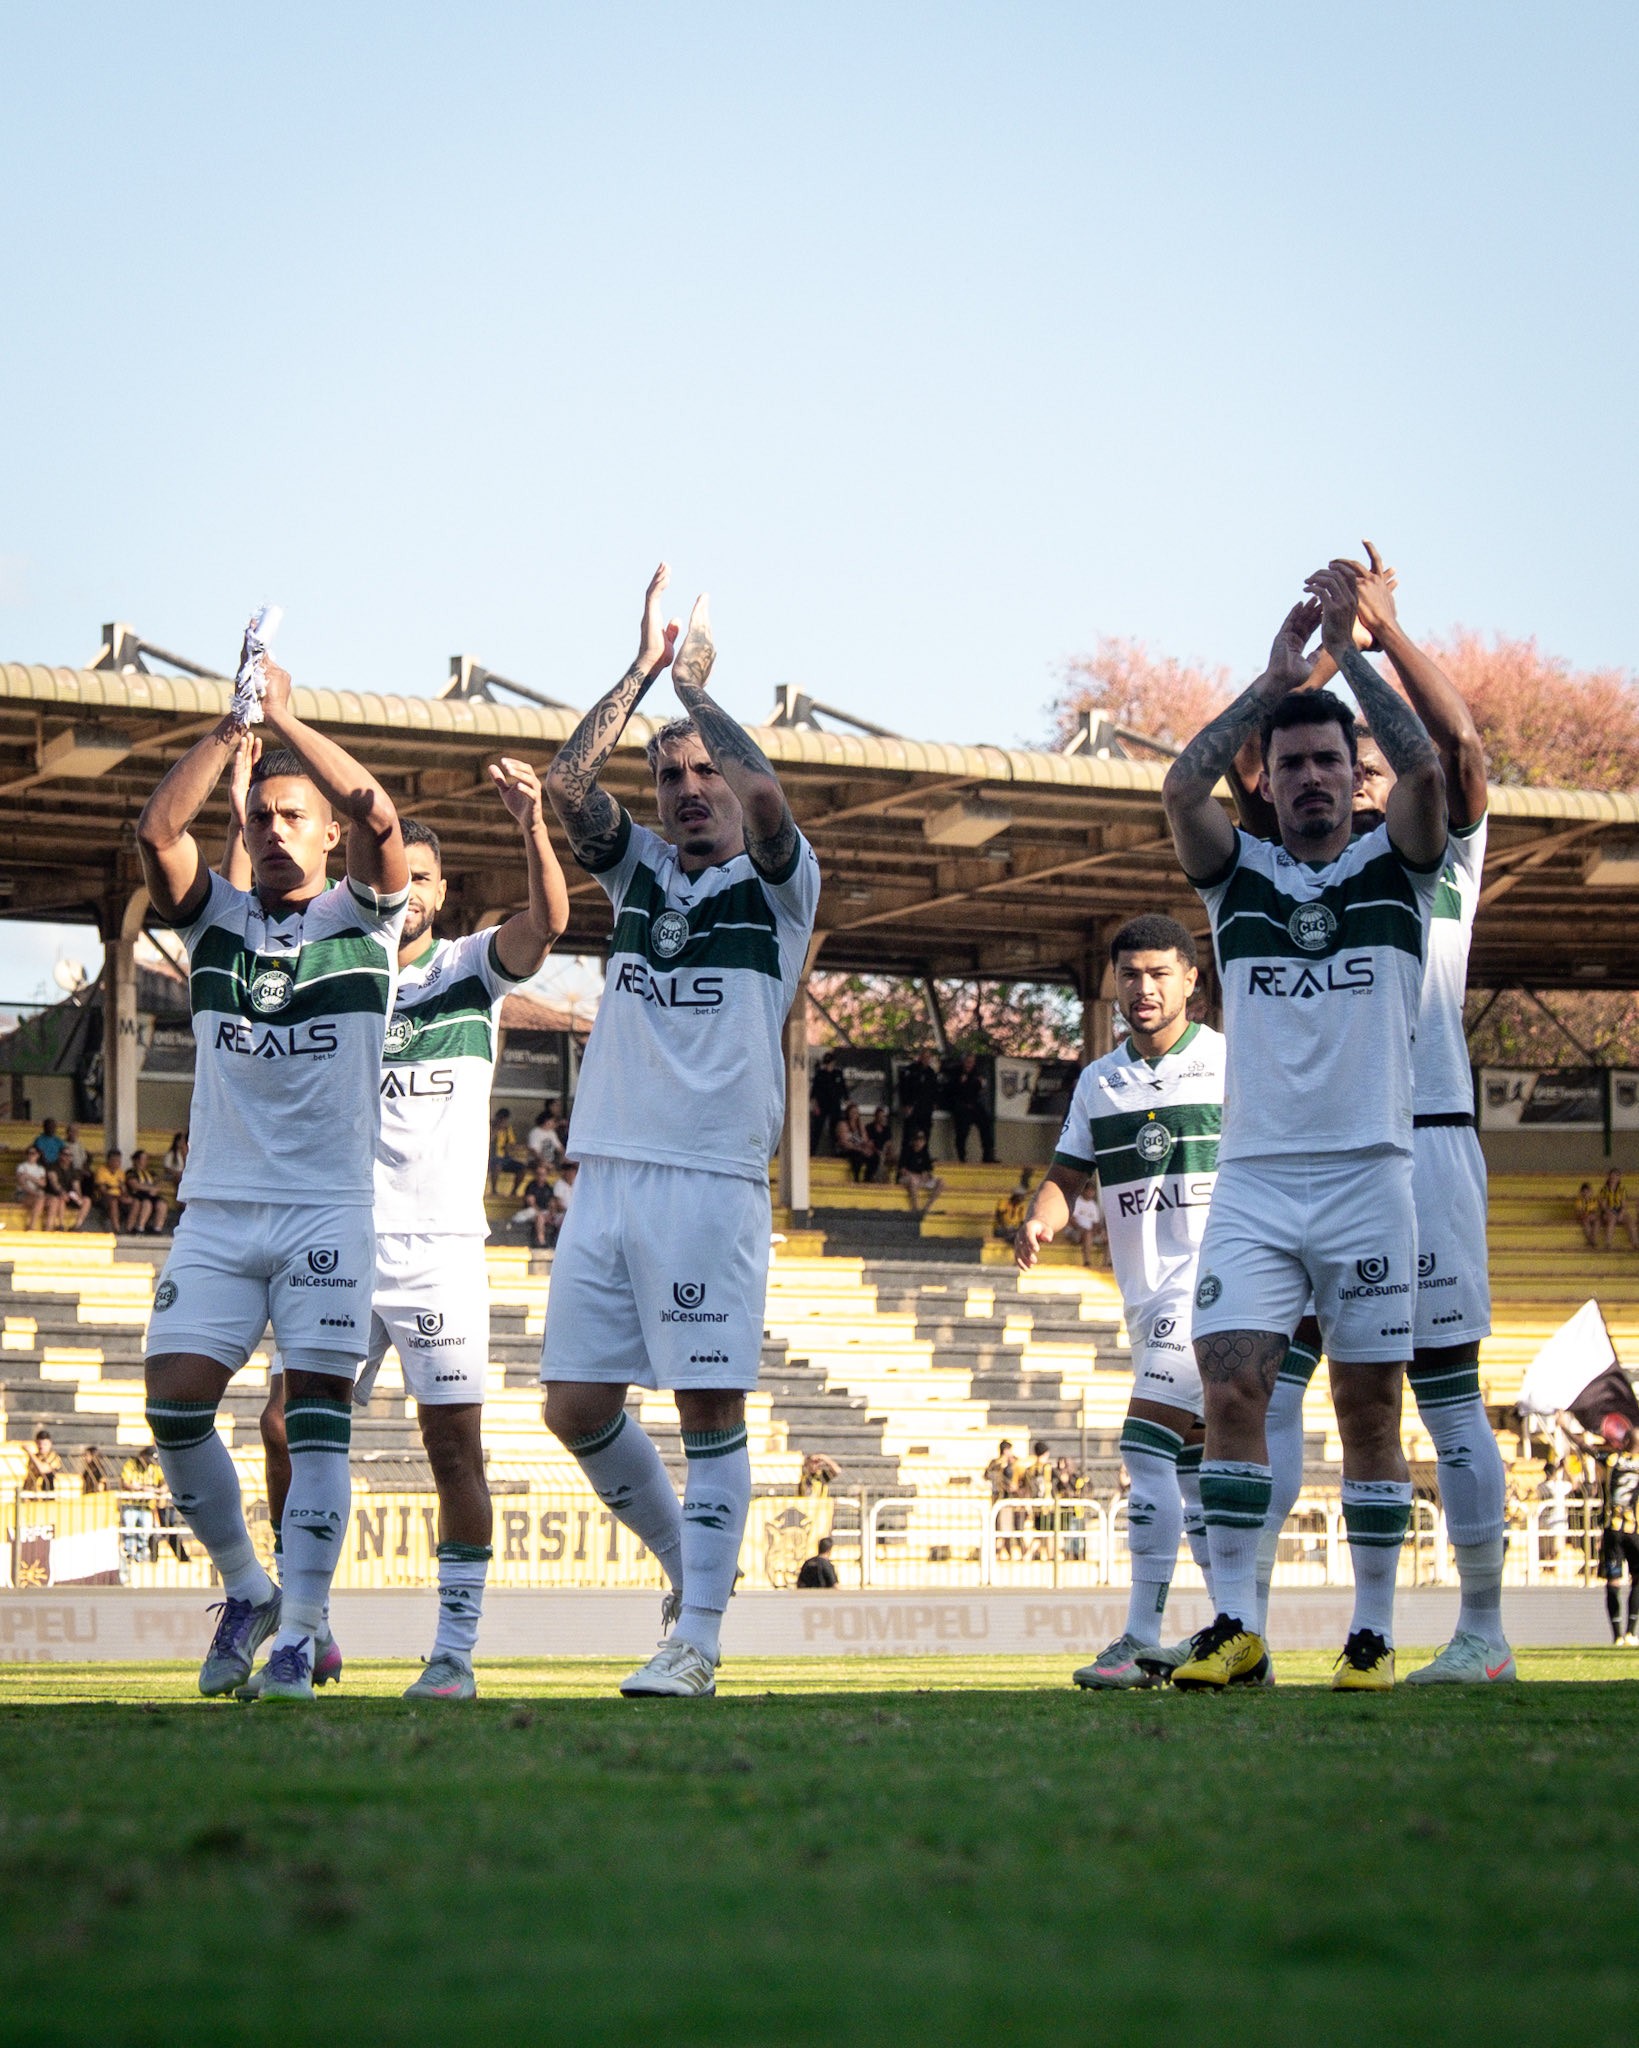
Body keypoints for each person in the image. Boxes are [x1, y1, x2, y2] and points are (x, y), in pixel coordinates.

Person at [1160, 565, 1449, 1693]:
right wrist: (1274, 680)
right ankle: (1237, 1625)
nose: (1312, 776)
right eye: (1290, 764)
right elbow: (1178, 787)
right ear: (1269, 782)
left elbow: (1426, 772)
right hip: (1257, 1182)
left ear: (1351, 771)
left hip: (1372, 1175)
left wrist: (1356, 651)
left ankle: (1371, 1632)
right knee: (1230, 1392)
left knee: (1368, 1408)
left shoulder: (1399, 864)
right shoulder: (1237, 876)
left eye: (1328, 759)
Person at [1232, 548, 1513, 1685]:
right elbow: (1250, 763)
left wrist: (1376, 639)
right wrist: (1297, 668)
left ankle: (1482, 1633)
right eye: (1325, 766)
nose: (1348, 784)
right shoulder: (1291, 873)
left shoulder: (1434, 857)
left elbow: (1460, 751)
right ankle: (1242, 1625)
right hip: (1305, 1155)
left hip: (1422, 1140)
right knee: (1268, 1391)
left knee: (1440, 1391)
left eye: (1364, 765)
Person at [540, 564, 820, 1698]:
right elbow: (568, 784)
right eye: (669, 775)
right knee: (575, 1408)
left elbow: (769, 800)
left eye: (703, 772)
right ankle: (688, 1572)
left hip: (709, 1178)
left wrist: (698, 692)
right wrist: (643, 671)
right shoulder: (641, 874)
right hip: (608, 1174)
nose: (688, 788)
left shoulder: (780, 884)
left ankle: (697, 1640)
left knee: (708, 1412)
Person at [252, 775, 567, 1702]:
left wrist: (535, 827)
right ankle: (308, 1626)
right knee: (281, 1426)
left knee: (452, 1450)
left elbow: (548, 924)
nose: (414, 892)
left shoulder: (470, 969)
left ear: (441, 890)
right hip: (340, 1236)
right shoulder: (337, 968)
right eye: (404, 876)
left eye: (426, 878)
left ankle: (454, 1654)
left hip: (438, 1249)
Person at [136, 632, 409, 1701]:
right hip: (218, 1209)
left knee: (311, 1422)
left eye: (296, 815)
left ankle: (299, 1631)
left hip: (326, 1211)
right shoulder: (214, 920)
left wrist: (289, 717)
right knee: (174, 1405)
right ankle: (248, 1589)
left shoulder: (366, 919)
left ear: (327, 832)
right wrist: (232, 727)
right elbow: (158, 830)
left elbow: (382, 817)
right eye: (261, 816)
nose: (275, 829)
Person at [1017, 914, 1226, 1686]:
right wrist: (1038, 1220)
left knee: (1143, 1448)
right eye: (1130, 975)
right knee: (1195, 1476)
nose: (1144, 988)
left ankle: (1139, 1637)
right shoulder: (1099, 1081)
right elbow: (1065, 1178)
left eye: (1159, 974)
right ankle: (1240, 1636)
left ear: (1189, 981)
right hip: (1143, 1298)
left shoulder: (1228, 1065)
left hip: (1209, 1286)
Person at [1600, 1425, 1639, 1644]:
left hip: (1612, 1530)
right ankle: (1631, 1632)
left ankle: (1617, 1636)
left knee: (1613, 1581)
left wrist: (1564, 1428)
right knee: (1638, 1579)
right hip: (1635, 1532)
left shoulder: (1612, 1460)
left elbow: (1586, 1448)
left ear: (1625, 1442)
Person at [949, 1053, 995, 1163]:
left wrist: (980, 1084)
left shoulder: (976, 1073)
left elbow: (979, 1089)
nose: (969, 1065)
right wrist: (960, 1083)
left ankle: (987, 1155)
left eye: (971, 1062)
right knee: (962, 1132)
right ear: (964, 1062)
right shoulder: (956, 1072)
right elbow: (951, 1090)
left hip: (974, 1105)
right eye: (967, 1062)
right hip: (961, 1105)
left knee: (986, 1125)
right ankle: (962, 1157)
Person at [897, 1125, 944, 1217]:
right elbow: (902, 1170)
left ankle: (926, 1208)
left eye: (922, 1140)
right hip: (907, 1178)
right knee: (913, 1180)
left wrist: (927, 1175)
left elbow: (929, 1170)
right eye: (918, 1139)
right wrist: (915, 1175)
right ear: (914, 1140)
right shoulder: (906, 1151)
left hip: (921, 1179)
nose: (920, 1142)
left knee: (941, 1182)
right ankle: (915, 1208)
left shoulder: (925, 1152)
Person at [897, 1049, 941, 1143]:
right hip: (913, 1107)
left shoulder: (931, 1073)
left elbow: (934, 1089)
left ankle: (924, 1151)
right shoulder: (911, 1070)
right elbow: (904, 1088)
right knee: (910, 1134)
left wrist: (934, 1102)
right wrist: (906, 1104)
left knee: (925, 1133)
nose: (926, 1060)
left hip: (926, 1109)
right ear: (920, 1057)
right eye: (924, 1057)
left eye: (928, 1057)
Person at [123, 1150, 170, 1235]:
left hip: (151, 1195)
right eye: (143, 1159)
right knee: (147, 1203)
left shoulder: (151, 1173)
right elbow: (135, 1185)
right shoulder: (131, 1172)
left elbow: (158, 1183)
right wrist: (150, 1188)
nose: (145, 1161)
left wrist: (155, 1189)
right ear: (136, 1160)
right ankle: (140, 1227)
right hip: (139, 1195)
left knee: (162, 1204)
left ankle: (157, 1228)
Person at [518, 1158, 561, 1247]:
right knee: (540, 1217)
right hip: (532, 1212)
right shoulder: (531, 1186)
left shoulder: (548, 1187)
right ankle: (541, 1241)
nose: (540, 1176)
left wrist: (551, 1214)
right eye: (539, 1174)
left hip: (545, 1211)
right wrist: (541, 1213)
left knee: (559, 1218)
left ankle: (557, 1242)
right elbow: (531, 1203)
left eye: (543, 1174)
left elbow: (552, 1203)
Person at [810, 1051, 846, 1155]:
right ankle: (812, 1151)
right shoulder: (820, 1074)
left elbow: (843, 1088)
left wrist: (846, 1099)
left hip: (835, 1105)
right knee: (817, 1129)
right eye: (827, 1063)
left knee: (835, 1129)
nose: (829, 1065)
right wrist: (815, 1106)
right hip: (822, 1105)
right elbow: (814, 1092)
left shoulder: (837, 1074)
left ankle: (836, 1152)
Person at [15, 1144, 54, 1230]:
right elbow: (22, 1184)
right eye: (29, 1153)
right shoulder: (21, 1167)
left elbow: (43, 1183)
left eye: (33, 1153)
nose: (31, 1155)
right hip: (22, 1193)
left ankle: (48, 1226)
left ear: (38, 1155)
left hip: (36, 1193)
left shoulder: (40, 1169)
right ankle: (32, 1226)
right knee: (40, 1199)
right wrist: (35, 1191)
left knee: (53, 1200)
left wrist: (29, 1176)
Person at [489, 1108, 527, 1196]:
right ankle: (494, 1191)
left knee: (522, 1168)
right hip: (491, 1158)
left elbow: (512, 1143)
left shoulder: (507, 1129)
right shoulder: (490, 1126)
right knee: (497, 1166)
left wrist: (510, 1147)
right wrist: (496, 1129)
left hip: (505, 1158)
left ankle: (514, 1191)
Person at [1066, 1186, 1106, 1267]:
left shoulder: (1093, 1205)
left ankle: (1107, 1263)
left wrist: (1096, 1231)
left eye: (1092, 1191)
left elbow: (1096, 1222)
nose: (1091, 1193)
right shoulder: (1076, 1202)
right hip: (1075, 1231)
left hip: (1089, 1232)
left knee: (1107, 1237)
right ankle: (1087, 1261)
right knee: (1087, 1234)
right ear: (1084, 1191)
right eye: (1089, 1191)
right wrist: (1081, 1229)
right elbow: (1071, 1219)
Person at [91, 1150, 130, 1233]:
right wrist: (117, 1194)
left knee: (133, 1201)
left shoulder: (120, 1172)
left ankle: (131, 1228)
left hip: (118, 1196)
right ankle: (117, 1228)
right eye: (115, 1160)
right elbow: (102, 1190)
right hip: (103, 1197)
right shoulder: (101, 1171)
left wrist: (124, 1195)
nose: (117, 1163)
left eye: (119, 1160)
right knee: (113, 1202)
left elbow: (124, 1189)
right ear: (109, 1160)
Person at [1600, 1170, 1638, 1252]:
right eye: (1612, 1176)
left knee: (1630, 1221)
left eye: (1616, 1176)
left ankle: (1635, 1243)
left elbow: (1623, 1205)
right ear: (1609, 1177)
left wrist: (1621, 1213)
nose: (1613, 1178)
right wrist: (1609, 1212)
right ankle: (1608, 1243)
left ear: (1619, 1178)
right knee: (1612, 1219)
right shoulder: (1604, 1189)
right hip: (1608, 1211)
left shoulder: (1622, 1189)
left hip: (1619, 1210)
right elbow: (1603, 1206)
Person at [835, 1102, 872, 1182]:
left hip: (859, 1149)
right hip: (846, 1150)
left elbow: (865, 1140)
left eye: (856, 1112)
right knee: (857, 1155)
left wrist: (867, 1148)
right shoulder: (843, 1124)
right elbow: (844, 1143)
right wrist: (859, 1148)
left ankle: (867, 1179)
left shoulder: (860, 1126)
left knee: (873, 1157)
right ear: (848, 1113)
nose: (854, 1114)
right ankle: (856, 1179)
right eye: (852, 1112)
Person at [993, 1169, 1034, 1241]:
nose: (1021, 1199)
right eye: (1020, 1197)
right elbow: (999, 1215)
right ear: (1015, 1196)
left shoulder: (1021, 1207)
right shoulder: (1004, 1202)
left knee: (1020, 1233)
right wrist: (1005, 1226)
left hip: (1013, 1229)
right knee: (1003, 1231)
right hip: (1002, 1228)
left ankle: (1013, 1238)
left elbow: (1022, 1222)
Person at [527, 1103, 565, 1168]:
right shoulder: (535, 1132)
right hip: (536, 1161)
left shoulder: (552, 1133)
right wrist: (545, 1162)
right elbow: (534, 1151)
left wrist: (565, 1156)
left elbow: (559, 1148)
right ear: (546, 1121)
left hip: (551, 1161)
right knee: (542, 1168)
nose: (554, 1123)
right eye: (553, 1121)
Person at [861, 1106, 894, 1182]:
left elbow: (889, 1143)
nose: (881, 1118)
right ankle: (870, 1178)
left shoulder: (887, 1129)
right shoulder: (869, 1127)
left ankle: (888, 1179)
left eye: (882, 1116)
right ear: (875, 1116)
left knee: (893, 1159)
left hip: (884, 1151)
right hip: (873, 1151)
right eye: (879, 1116)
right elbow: (868, 1142)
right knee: (876, 1158)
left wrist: (888, 1153)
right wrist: (877, 1151)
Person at [1577, 1183, 1600, 1249]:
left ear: (1591, 1192)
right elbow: (1579, 1212)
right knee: (1585, 1221)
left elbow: (1595, 1211)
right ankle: (1591, 1240)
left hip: (1591, 1217)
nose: (1586, 1194)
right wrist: (1586, 1215)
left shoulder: (1594, 1200)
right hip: (1583, 1217)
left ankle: (1593, 1238)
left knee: (1597, 1221)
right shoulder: (1579, 1201)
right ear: (1581, 1193)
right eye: (1584, 1192)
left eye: (1588, 1192)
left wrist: (1591, 1215)